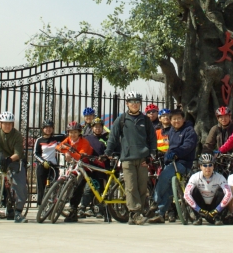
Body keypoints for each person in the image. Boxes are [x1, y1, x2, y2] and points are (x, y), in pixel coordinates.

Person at [105, 91, 157, 225]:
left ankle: (136, 214)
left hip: (143, 158)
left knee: (142, 187)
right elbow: (113, 137)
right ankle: (135, 212)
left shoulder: (145, 120)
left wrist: (151, 154)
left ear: (140, 104)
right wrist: (108, 151)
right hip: (127, 158)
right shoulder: (121, 119)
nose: (134, 104)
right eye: (132, 102)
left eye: (137, 102)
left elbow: (152, 138)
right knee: (131, 186)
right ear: (127, 103)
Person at [148, 108, 198, 224]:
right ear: (170, 120)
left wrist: (176, 153)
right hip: (171, 163)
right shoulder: (171, 132)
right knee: (168, 188)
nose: (176, 121)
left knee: (164, 177)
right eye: (174, 119)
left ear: (183, 119)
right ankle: (160, 214)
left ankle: (155, 202)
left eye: (179, 118)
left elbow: (188, 146)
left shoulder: (189, 131)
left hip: (183, 163)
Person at [56, 121, 96, 222]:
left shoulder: (84, 142)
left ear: (79, 133)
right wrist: (67, 152)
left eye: (75, 132)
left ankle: (73, 211)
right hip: (75, 165)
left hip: (87, 166)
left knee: (79, 187)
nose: (72, 135)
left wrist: (69, 151)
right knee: (69, 180)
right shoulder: (68, 139)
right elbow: (59, 146)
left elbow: (80, 156)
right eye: (70, 132)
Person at [184, 153, 232, 225]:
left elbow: (229, 194)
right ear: (200, 166)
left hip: (215, 206)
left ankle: (217, 217)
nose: (208, 168)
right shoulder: (194, 177)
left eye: (210, 165)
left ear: (213, 166)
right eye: (205, 165)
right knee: (194, 191)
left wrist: (217, 210)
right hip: (200, 206)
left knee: (221, 191)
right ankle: (198, 217)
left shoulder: (220, 177)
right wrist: (198, 210)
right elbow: (186, 194)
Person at [32, 120, 66, 206]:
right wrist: (43, 161)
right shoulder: (39, 140)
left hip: (53, 165)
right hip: (42, 165)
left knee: (54, 185)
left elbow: (68, 137)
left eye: (50, 127)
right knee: (41, 185)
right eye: (46, 127)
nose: (48, 129)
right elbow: (35, 153)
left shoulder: (56, 139)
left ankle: (53, 203)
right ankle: (40, 204)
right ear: (43, 129)